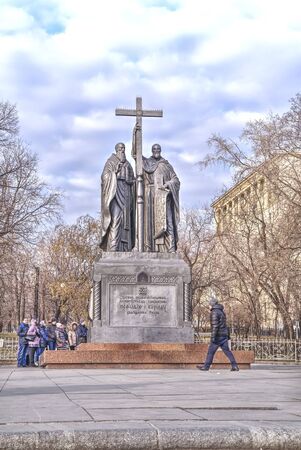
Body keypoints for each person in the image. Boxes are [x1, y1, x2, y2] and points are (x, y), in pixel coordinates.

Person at [132, 139, 180, 252]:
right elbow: (135, 154)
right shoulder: (147, 162)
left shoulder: (166, 165)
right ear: (152, 151)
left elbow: (176, 180)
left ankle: (171, 247)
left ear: (160, 150)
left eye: (158, 149)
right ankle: (148, 247)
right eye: (154, 149)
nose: (156, 151)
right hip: (149, 195)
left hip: (163, 196)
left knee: (167, 221)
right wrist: (136, 132)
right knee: (148, 222)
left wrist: (168, 184)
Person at [100, 142, 135, 251]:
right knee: (115, 219)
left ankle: (125, 248)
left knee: (126, 221)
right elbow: (104, 176)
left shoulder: (128, 164)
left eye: (124, 148)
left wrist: (132, 181)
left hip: (126, 195)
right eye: (120, 148)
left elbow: (133, 179)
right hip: (115, 194)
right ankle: (113, 248)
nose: (122, 150)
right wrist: (115, 172)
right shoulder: (111, 161)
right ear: (116, 150)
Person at [197, 297, 239, 371]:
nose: (209, 306)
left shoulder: (214, 312)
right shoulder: (221, 312)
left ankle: (206, 367)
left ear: (212, 304)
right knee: (227, 351)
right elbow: (224, 324)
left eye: (209, 304)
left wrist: (213, 337)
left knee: (210, 352)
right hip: (223, 335)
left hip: (218, 336)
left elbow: (215, 326)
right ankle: (235, 366)